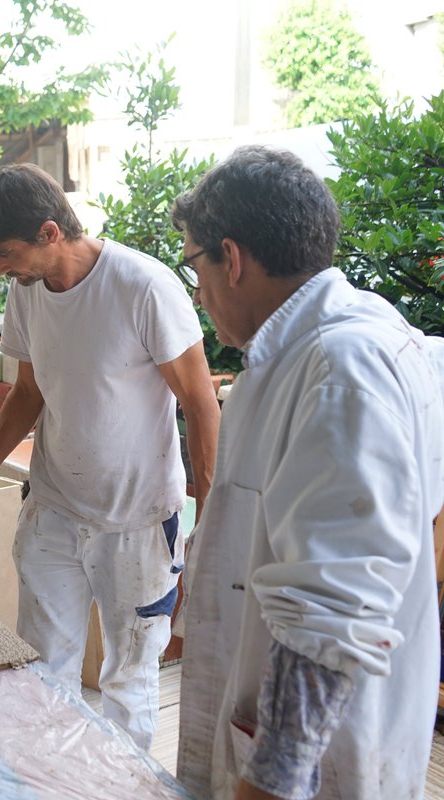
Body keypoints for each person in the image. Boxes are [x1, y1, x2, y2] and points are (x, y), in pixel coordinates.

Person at [171, 145, 444, 799]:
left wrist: (268, 783)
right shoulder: (314, 352)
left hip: (313, 764)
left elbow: (331, 620)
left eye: (195, 268)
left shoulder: (342, 367)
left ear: (230, 259)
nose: (200, 293)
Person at [0, 163, 220, 751]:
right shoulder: (28, 290)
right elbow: (28, 392)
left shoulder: (142, 286)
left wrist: (209, 515)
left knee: (129, 676)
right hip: (55, 510)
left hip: (139, 520)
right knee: (43, 669)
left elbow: (199, 401)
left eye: (4, 252)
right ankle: (52, 783)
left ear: (49, 232)